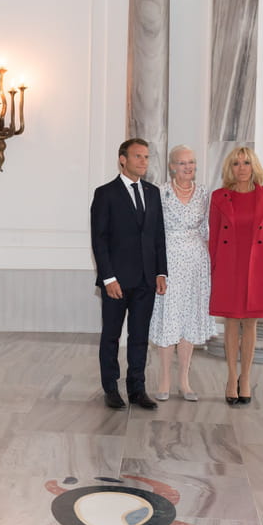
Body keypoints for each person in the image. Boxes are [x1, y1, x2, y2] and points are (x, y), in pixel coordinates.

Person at [90, 138, 168, 411]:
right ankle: (111, 388)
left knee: (139, 336)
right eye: (138, 156)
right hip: (117, 281)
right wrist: (108, 278)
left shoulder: (152, 192)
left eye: (146, 157)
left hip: (147, 280)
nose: (144, 161)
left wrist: (161, 272)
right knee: (111, 336)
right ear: (122, 159)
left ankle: (137, 389)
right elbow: (99, 240)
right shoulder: (105, 193)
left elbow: (158, 236)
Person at [208, 146, 263, 406]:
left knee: (250, 323)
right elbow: (213, 238)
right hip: (229, 267)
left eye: (246, 162)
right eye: (236, 163)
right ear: (230, 168)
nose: (241, 168)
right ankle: (231, 378)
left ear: (254, 166)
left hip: (257, 267)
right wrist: (212, 273)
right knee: (230, 322)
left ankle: (246, 378)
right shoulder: (219, 197)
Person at [149, 145, 217, 401]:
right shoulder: (161, 192)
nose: (188, 167)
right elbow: (153, 231)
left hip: (197, 264)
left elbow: (208, 230)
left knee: (189, 318)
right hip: (168, 262)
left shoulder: (204, 193)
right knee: (169, 317)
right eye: (182, 163)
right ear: (172, 166)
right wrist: (156, 268)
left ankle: (184, 381)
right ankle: (164, 380)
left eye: (191, 162)